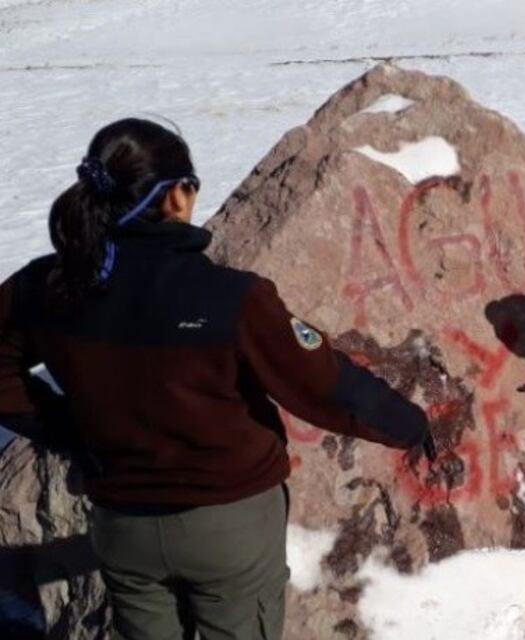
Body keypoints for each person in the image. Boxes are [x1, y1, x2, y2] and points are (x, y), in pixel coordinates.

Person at [0, 118, 433, 640]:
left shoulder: (48, 286)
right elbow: (321, 384)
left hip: (122, 522)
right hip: (228, 522)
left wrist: (67, 427)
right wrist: (406, 423)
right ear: (176, 197)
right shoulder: (230, 298)